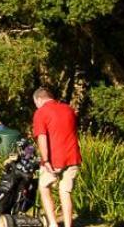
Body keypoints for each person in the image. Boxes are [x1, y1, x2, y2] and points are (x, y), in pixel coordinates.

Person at [32, 88, 81, 227]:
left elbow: (42, 137)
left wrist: (46, 159)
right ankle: (67, 225)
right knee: (65, 191)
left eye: (35, 103)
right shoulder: (69, 109)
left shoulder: (40, 113)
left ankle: (53, 224)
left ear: (39, 99)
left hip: (54, 159)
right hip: (73, 157)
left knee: (44, 186)